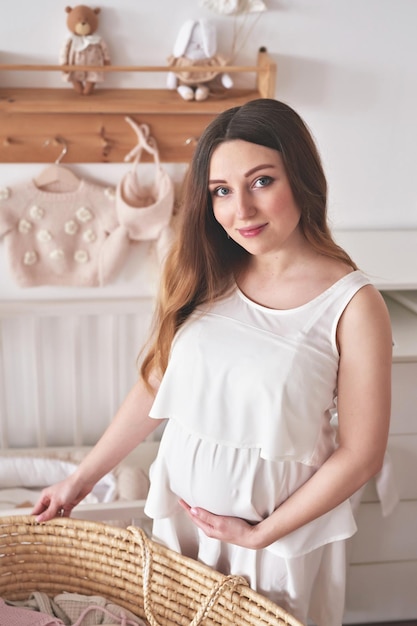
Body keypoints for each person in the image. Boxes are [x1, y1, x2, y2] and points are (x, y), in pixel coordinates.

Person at [32, 98, 392, 626]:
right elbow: (158, 385)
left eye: (261, 181)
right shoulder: (210, 273)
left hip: (273, 543)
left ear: (302, 178)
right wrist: (82, 478)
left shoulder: (352, 305)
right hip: (181, 529)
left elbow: (361, 453)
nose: (239, 210)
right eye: (221, 191)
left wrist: (261, 533)